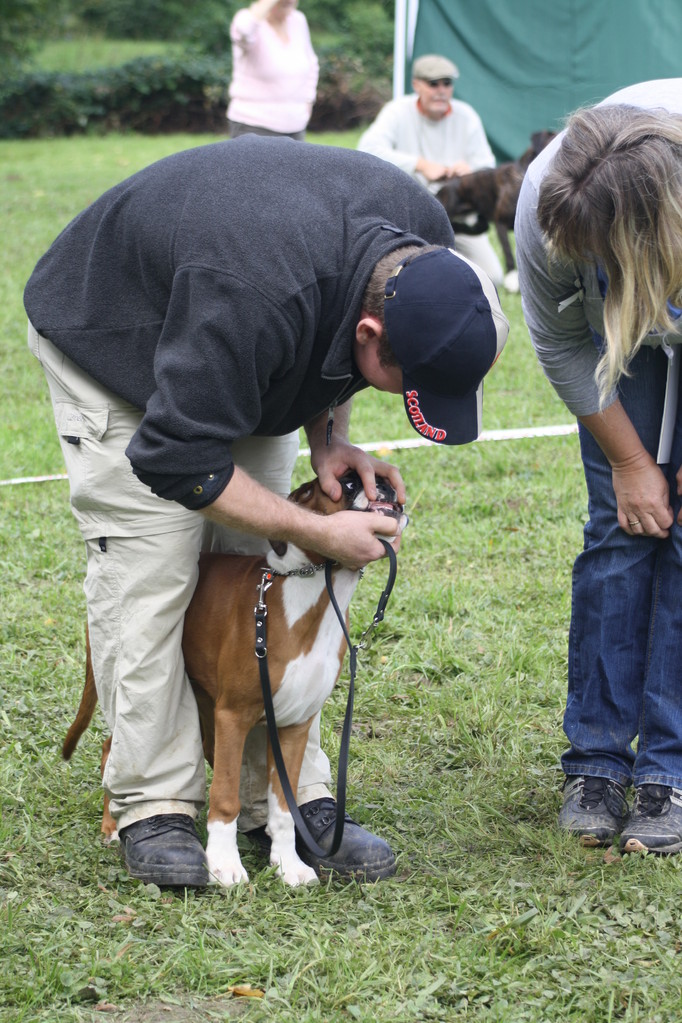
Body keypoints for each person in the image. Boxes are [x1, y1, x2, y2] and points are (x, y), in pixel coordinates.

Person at [24, 135, 509, 888]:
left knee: (250, 572)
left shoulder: (424, 240)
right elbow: (176, 458)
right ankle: (157, 797)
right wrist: (316, 528)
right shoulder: (253, 291)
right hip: (117, 340)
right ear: (373, 334)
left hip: (235, 335)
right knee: (158, 569)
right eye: (406, 381)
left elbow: (331, 330)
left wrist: (331, 441)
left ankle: (277, 798)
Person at [515, 79, 682, 855]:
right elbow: (560, 343)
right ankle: (597, 761)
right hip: (621, 348)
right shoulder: (545, 201)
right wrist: (630, 460)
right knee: (623, 527)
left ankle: (671, 768)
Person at [357, 53, 505, 288]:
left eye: (447, 84)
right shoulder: (397, 111)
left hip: (459, 217)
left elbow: (487, 166)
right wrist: (420, 165)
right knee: (404, 278)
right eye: (433, 83)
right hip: (408, 215)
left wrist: (470, 173)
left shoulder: (466, 115)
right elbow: (367, 149)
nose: (441, 90)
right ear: (416, 84)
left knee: (492, 276)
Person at [227, 0, 318, 140]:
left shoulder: (298, 20)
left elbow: (312, 64)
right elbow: (244, 29)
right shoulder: (248, 19)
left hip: (296, 127)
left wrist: (308, 100)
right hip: (253, 127)